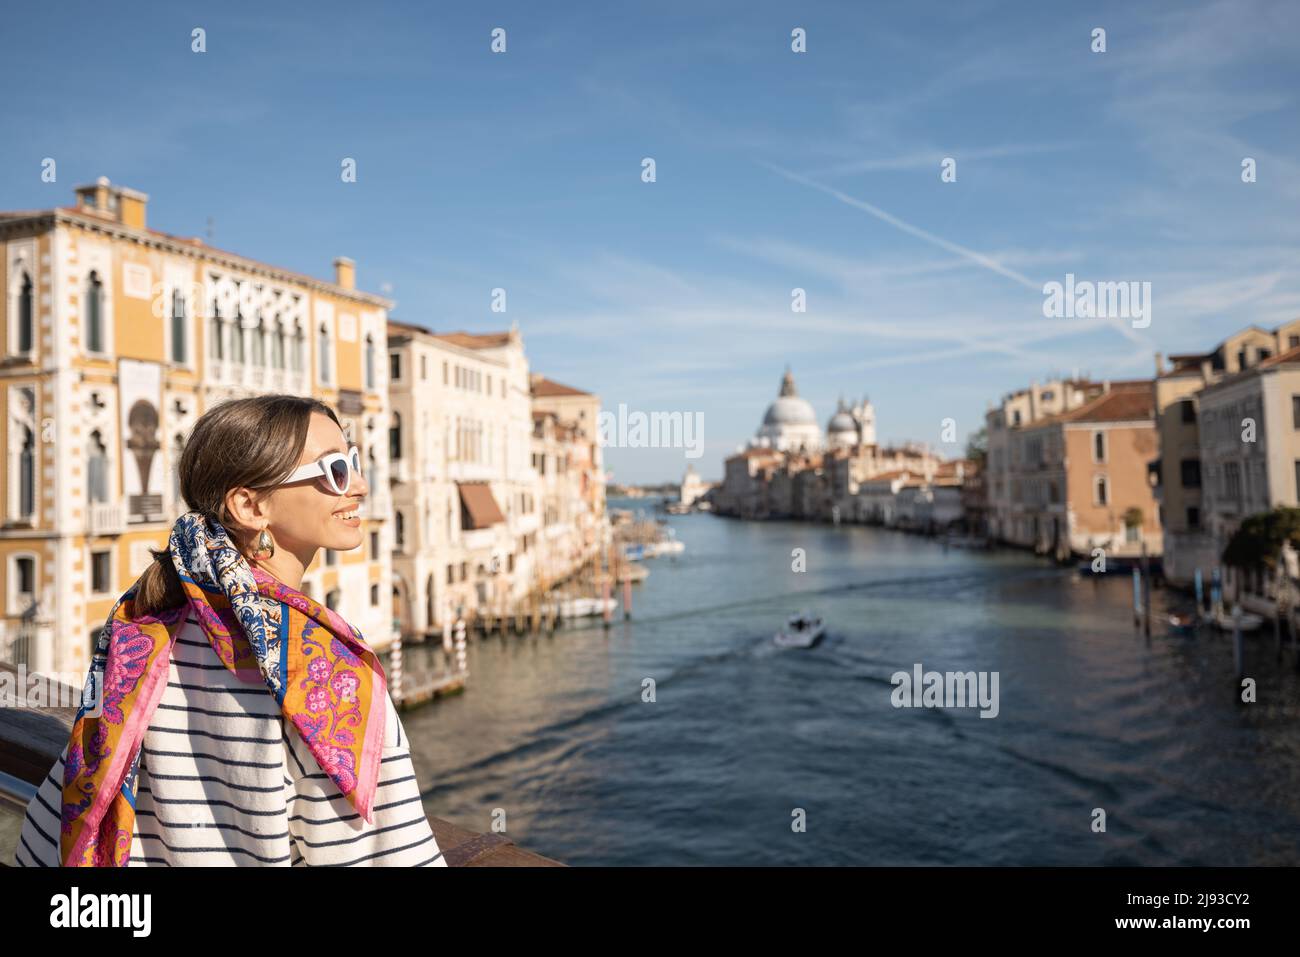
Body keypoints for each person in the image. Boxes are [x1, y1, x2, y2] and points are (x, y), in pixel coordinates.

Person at [11, 395, 446, 867]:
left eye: (354, 461)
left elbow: (56, 824)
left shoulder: (142, 627)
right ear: (249, 505)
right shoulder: (322, 666)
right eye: (335, 469)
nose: (360, 485)